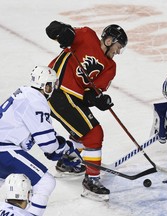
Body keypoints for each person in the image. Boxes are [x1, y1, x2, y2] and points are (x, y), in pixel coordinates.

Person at [45, 20, 128, 200]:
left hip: (72, 98)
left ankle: (68, 162)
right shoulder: (86, 35)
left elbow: (90, 95)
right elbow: (52, 29)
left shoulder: (110, 67)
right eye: (118, 46)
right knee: (94, 134)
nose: (118, 51)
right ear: (109, 41)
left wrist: (99, 99)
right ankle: (91, 181)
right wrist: (62, 31)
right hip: (56, 90)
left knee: (82, 132)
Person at [0, 66, 79, 215]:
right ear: (46, 86)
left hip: (4, 149)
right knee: (45, 183)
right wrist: (64, 150)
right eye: (52, 85)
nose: (53, 89)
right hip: (4, 150)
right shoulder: (36, 100)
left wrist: (61, 149)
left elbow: (45, 138)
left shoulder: (25, 94)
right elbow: (49, 146)